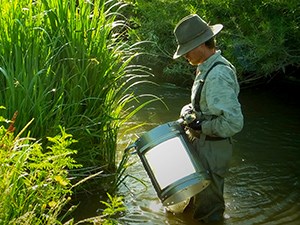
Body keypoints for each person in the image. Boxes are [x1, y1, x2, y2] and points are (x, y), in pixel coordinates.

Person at [172, 14, 244, 223]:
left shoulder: (218, 75)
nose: (185, 56)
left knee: (209, 211)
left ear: (202, 45)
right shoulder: (206, 67)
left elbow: (233, 123)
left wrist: (200, 125)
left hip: (212, 149)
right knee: (196, 201)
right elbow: (204, 106)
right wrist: (189, 113)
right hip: (203, 145)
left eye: (187, 50)